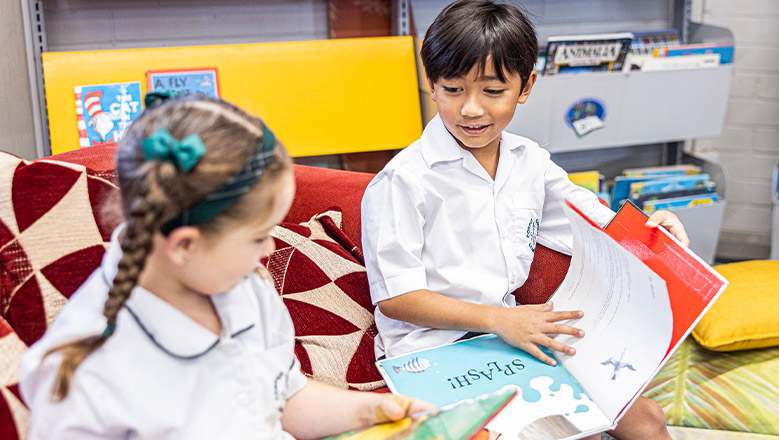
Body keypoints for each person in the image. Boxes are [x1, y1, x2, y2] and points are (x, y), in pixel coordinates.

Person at [360, 1, 688, 439]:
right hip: (435, 352)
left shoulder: (530, 161)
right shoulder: (403, 180)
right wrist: (500, 321)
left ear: (526, 85)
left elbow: (596, 224)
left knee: (647, 419)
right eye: (453, 89)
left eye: (492, 92)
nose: (471, 109)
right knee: (566, 431)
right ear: (432, 85)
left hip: (511, 337)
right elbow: (396, 298)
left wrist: (655, 230)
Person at [19, 95, 430, 439]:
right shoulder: (81, 378)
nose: (271, 248)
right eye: (258, 236)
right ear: (184, 246)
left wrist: (373, 412)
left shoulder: (244, 285)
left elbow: (282, 398)